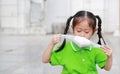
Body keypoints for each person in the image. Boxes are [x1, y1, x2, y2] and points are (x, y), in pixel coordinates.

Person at [42, 10, 112, 74]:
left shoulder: (96, 49)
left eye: (86, 32)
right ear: (72, 29)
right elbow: (45, 60)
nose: (82, 35)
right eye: (78, 31)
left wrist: (109, 57)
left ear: (93, 32)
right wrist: (52, 44)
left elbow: (107, 68)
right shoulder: (65, 47)